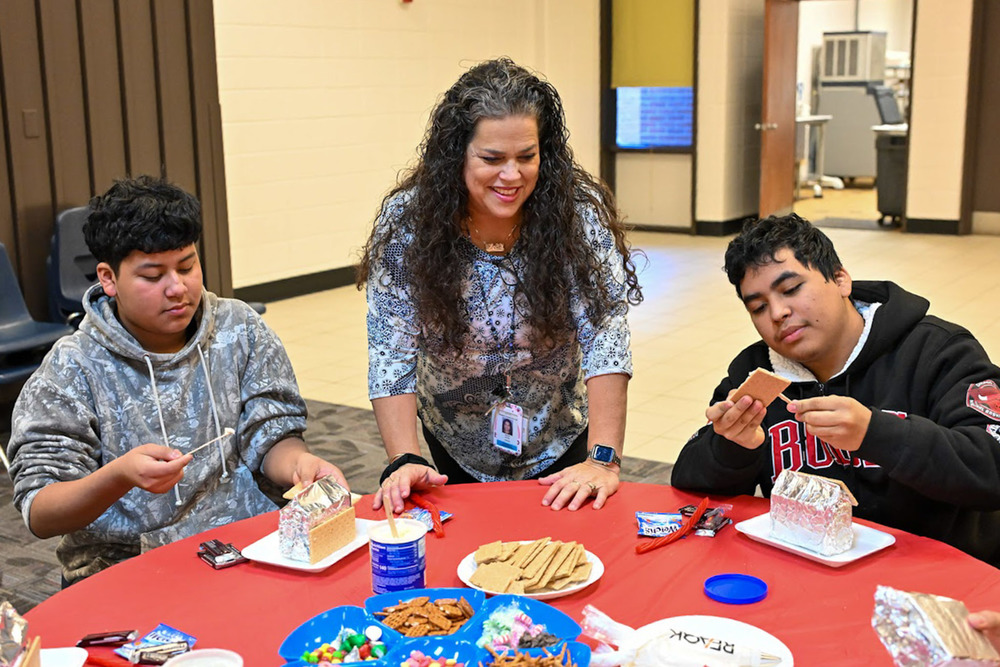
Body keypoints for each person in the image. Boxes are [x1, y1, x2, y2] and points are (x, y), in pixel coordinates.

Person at [7, 175, 347, 584]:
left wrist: (301, 464)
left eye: (187, 266)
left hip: (247, 543)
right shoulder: (72, 368)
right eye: (153, 276)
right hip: (126, 569)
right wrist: (117, 476)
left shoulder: (239, 329)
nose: (178, 288)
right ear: (108, 279)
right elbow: (40, 511)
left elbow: (271, 435)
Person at [357, 58, 642, 512]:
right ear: (457, 156)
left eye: (526, 157)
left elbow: (605, 333)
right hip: (456, 434)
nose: (512, 176)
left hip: (558, 426)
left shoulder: (576, 216)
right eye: (492, 159)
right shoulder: (409, 224)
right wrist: (403, 457)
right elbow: (391, 348)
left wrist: (603, 459)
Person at [671, 213, 1000, 565]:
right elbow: (688, 487)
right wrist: (732, 446)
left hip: (938, 576)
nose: (778, 313)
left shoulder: (938, 351)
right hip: (803, 575)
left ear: (841, 279)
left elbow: (991, 467)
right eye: (759, 307)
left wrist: (876, 433)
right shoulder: (755, 376)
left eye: (792, 289)